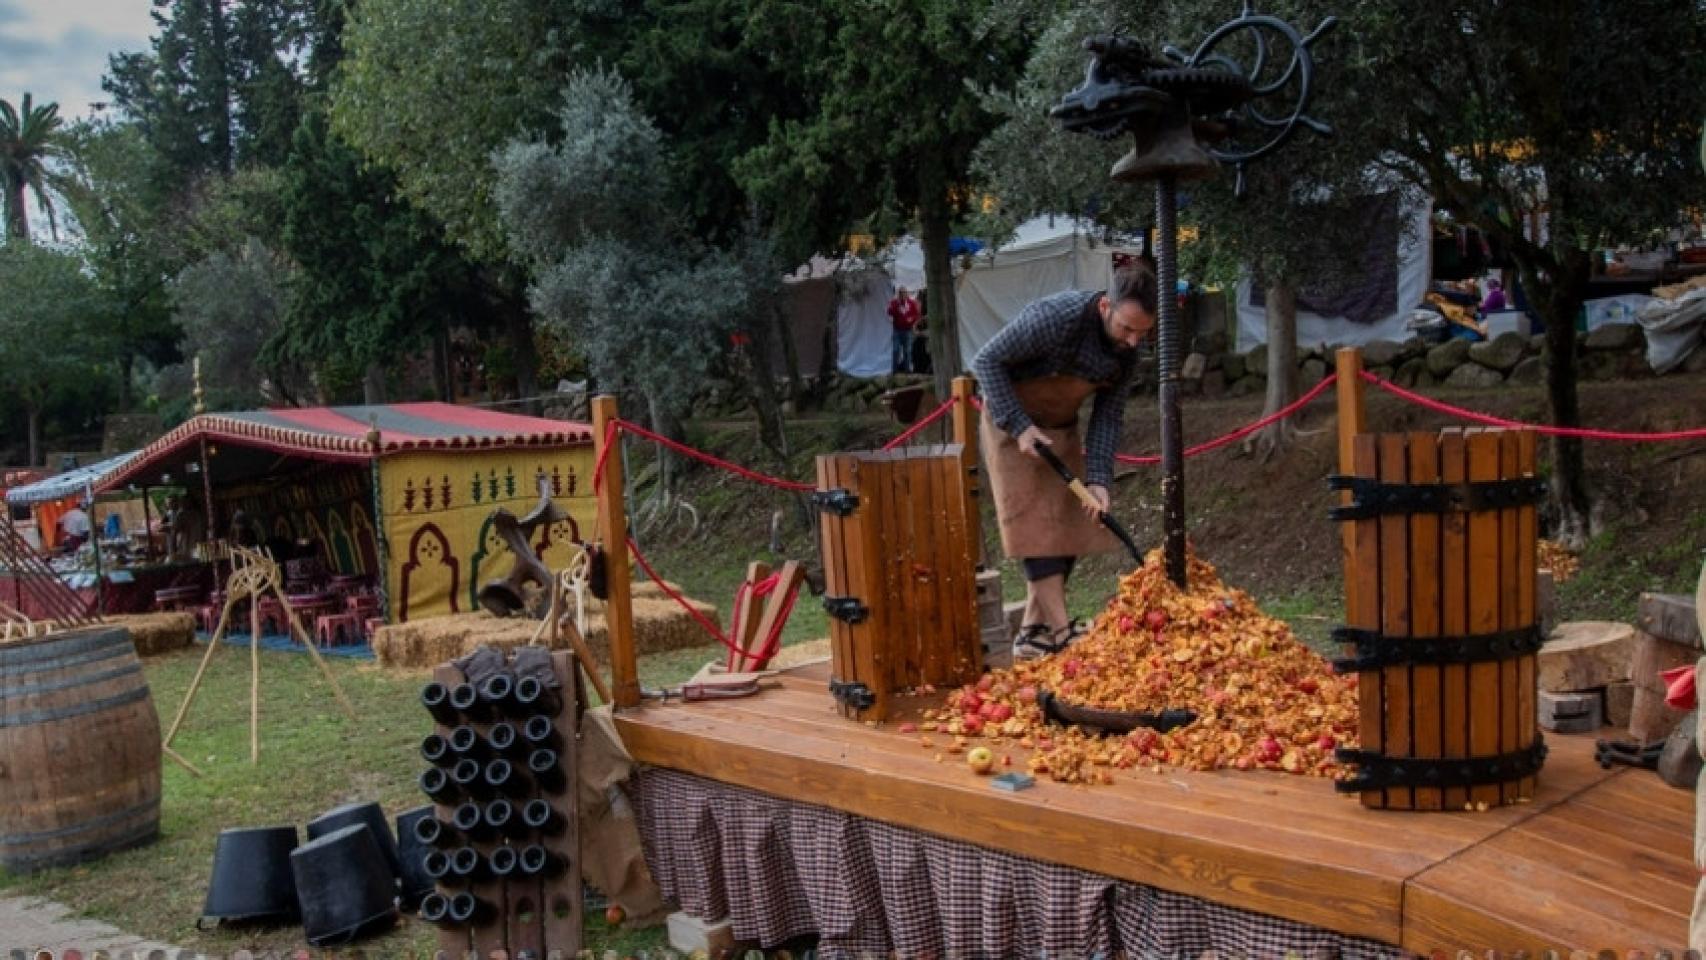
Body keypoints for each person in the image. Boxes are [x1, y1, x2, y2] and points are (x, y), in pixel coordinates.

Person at [971, 262, 1157, 660]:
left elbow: (1108, 416)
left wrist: (1099, 479)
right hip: (1012, 428)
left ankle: (1031, 635)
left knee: (1071, 526)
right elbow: (985, 361)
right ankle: (1062, 633)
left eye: (1143, 333)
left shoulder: (1127, 353)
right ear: (1105, 306)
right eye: (1127, 328)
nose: (1133, 341)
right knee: (1036, 532)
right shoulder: (1055, 318)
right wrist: (1020, 426)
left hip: (1059, 429)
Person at [887, 286, 921, 374]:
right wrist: (896, 306)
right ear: (898, 294)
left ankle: (907, 371)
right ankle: (894, 371)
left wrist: (912, 321)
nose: (902, 295)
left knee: (907, 351)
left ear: (907, 294)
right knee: (896, 350)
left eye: (904, 293)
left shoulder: (911, 303)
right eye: (900, 293)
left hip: (908, 330)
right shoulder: (894, 303)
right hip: (897, 330)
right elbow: (889, 312)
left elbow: (916, 315)